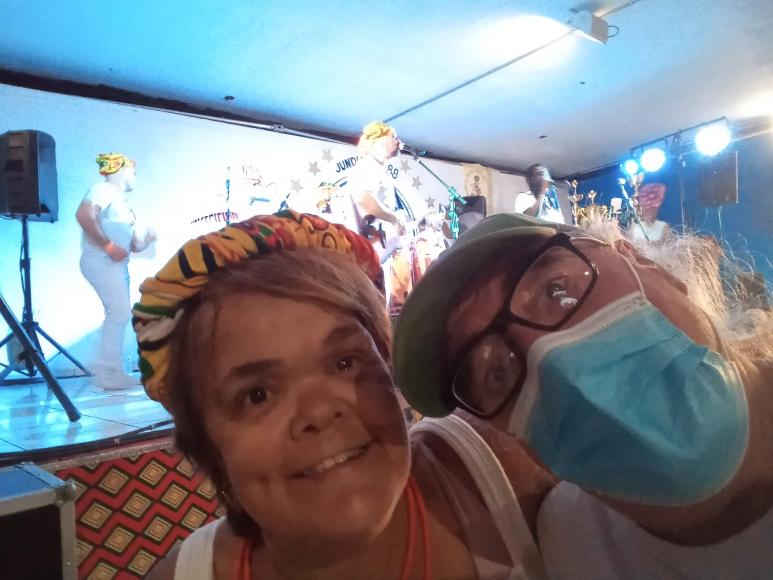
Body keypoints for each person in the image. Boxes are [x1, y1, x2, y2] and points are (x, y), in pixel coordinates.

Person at [136, 210, 552, 580]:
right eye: (257, 394)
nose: (319, 411)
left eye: (344, 362)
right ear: (207, 448)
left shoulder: (514, 471)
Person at [393, 212, 773, 578]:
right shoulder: (570, 543)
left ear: (649, 266)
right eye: (497, 373)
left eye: (556, 290)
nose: (550, 361)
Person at [76, 153, 156, 389]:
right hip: (101, 261)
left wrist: (147, 239)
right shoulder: (103, 189)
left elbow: (133, 246)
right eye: (133, 171)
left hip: (115, 265)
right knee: (118, 313)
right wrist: (109, 247)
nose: (135, 177)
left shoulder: (122, 203)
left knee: (119, 314)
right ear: (120, 169)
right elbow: (84, 215)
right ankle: (108, 372)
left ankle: (108, 369)